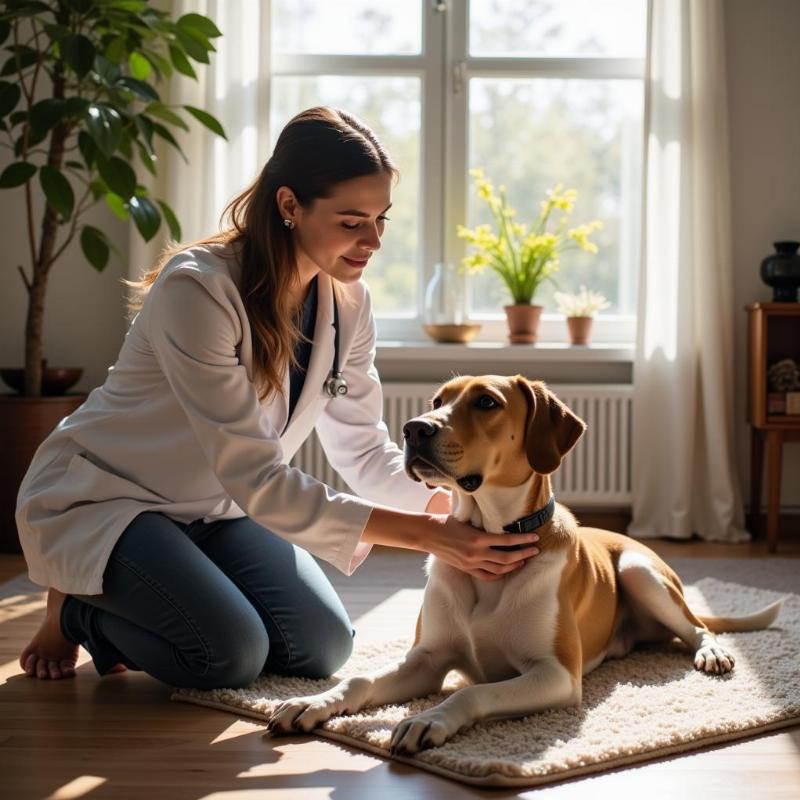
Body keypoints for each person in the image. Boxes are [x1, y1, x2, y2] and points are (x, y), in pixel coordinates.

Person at [16, 107, 540, 689]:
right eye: (351, 221)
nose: (373, 240)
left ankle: (172, 584)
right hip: (111, 501)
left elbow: (363, 448)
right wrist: (430, 537)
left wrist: (442, 508)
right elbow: (257, 475)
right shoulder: (199, 288)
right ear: (289, 205)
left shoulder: (348, 301)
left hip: (218, 510)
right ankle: (77, 609)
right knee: (227, 654)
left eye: (381, 219)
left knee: (321, 647)